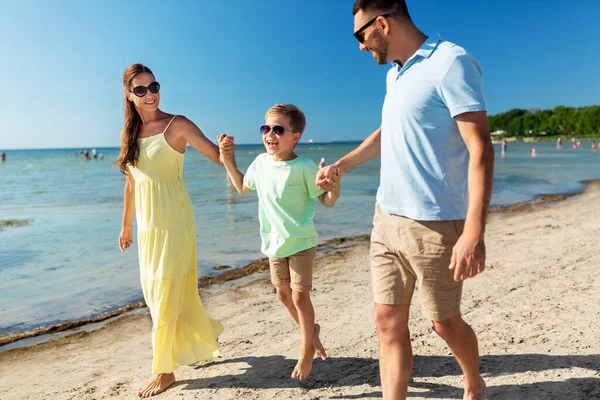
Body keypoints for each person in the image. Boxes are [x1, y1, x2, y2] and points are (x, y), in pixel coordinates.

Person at [318, 1, 493, 399]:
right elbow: (389, 130)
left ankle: (473, 381)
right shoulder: (395, 75)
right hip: (385, 219)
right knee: (386, 321)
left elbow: (480, 148)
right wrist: (342, 165)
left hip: (434, 224)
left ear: (382, 23)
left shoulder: (452, 62)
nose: (361, 46)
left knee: (444, 323)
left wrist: (474, 231)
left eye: (360, 36)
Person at [115, 64, 223, 398]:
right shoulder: (129, 134)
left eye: (154, 86)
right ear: (129, 95)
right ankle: (197, 339)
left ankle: (164, 371)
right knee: (158, 293)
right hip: (149, 229)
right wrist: (126, 225)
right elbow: (132, 183)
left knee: (164, 294)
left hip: (175, 222)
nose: (151, 94)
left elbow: (216, 156)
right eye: (141, 89)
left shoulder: (177, 125)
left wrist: (232, 157)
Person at [218, 104, 340, 380]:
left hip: (301, 242)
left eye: (278, 129)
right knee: (283, 295)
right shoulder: (260, 163)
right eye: (266, 128)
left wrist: (335, 185)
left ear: (295, 136)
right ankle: (313, 333)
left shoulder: (305, 167)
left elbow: (326, 201)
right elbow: (240, 186)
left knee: (299, 296)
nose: (270, 134)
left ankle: (306, 349)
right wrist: (227, 159)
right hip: (274, 244)